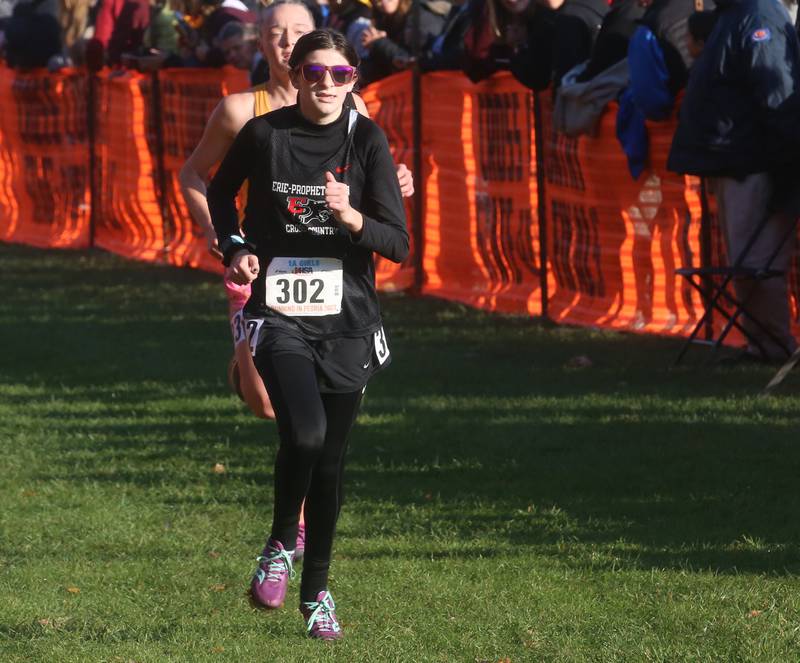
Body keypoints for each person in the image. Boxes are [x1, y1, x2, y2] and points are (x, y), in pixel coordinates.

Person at [179, 0, 413, 559]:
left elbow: (367, 172)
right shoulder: (243, 112)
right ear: (262, 43)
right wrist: (224, 240)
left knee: (305, 423)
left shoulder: (347, 104)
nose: (288, 44)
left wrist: (391, 181)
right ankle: (293, 517)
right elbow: (196, 174)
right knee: (265, 402)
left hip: (333, 285)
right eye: (277, 35)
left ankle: (297, 526)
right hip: (258, 269)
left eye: (300, 33)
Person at [668, 0, 800, 360]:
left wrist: (786, 167)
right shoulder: (737, 14)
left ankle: (774, 347)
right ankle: (760, 344)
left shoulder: (757, 16)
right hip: (735, 160)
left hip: (752, 162)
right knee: (745, 263)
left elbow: (777, 95)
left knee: (756, 263)